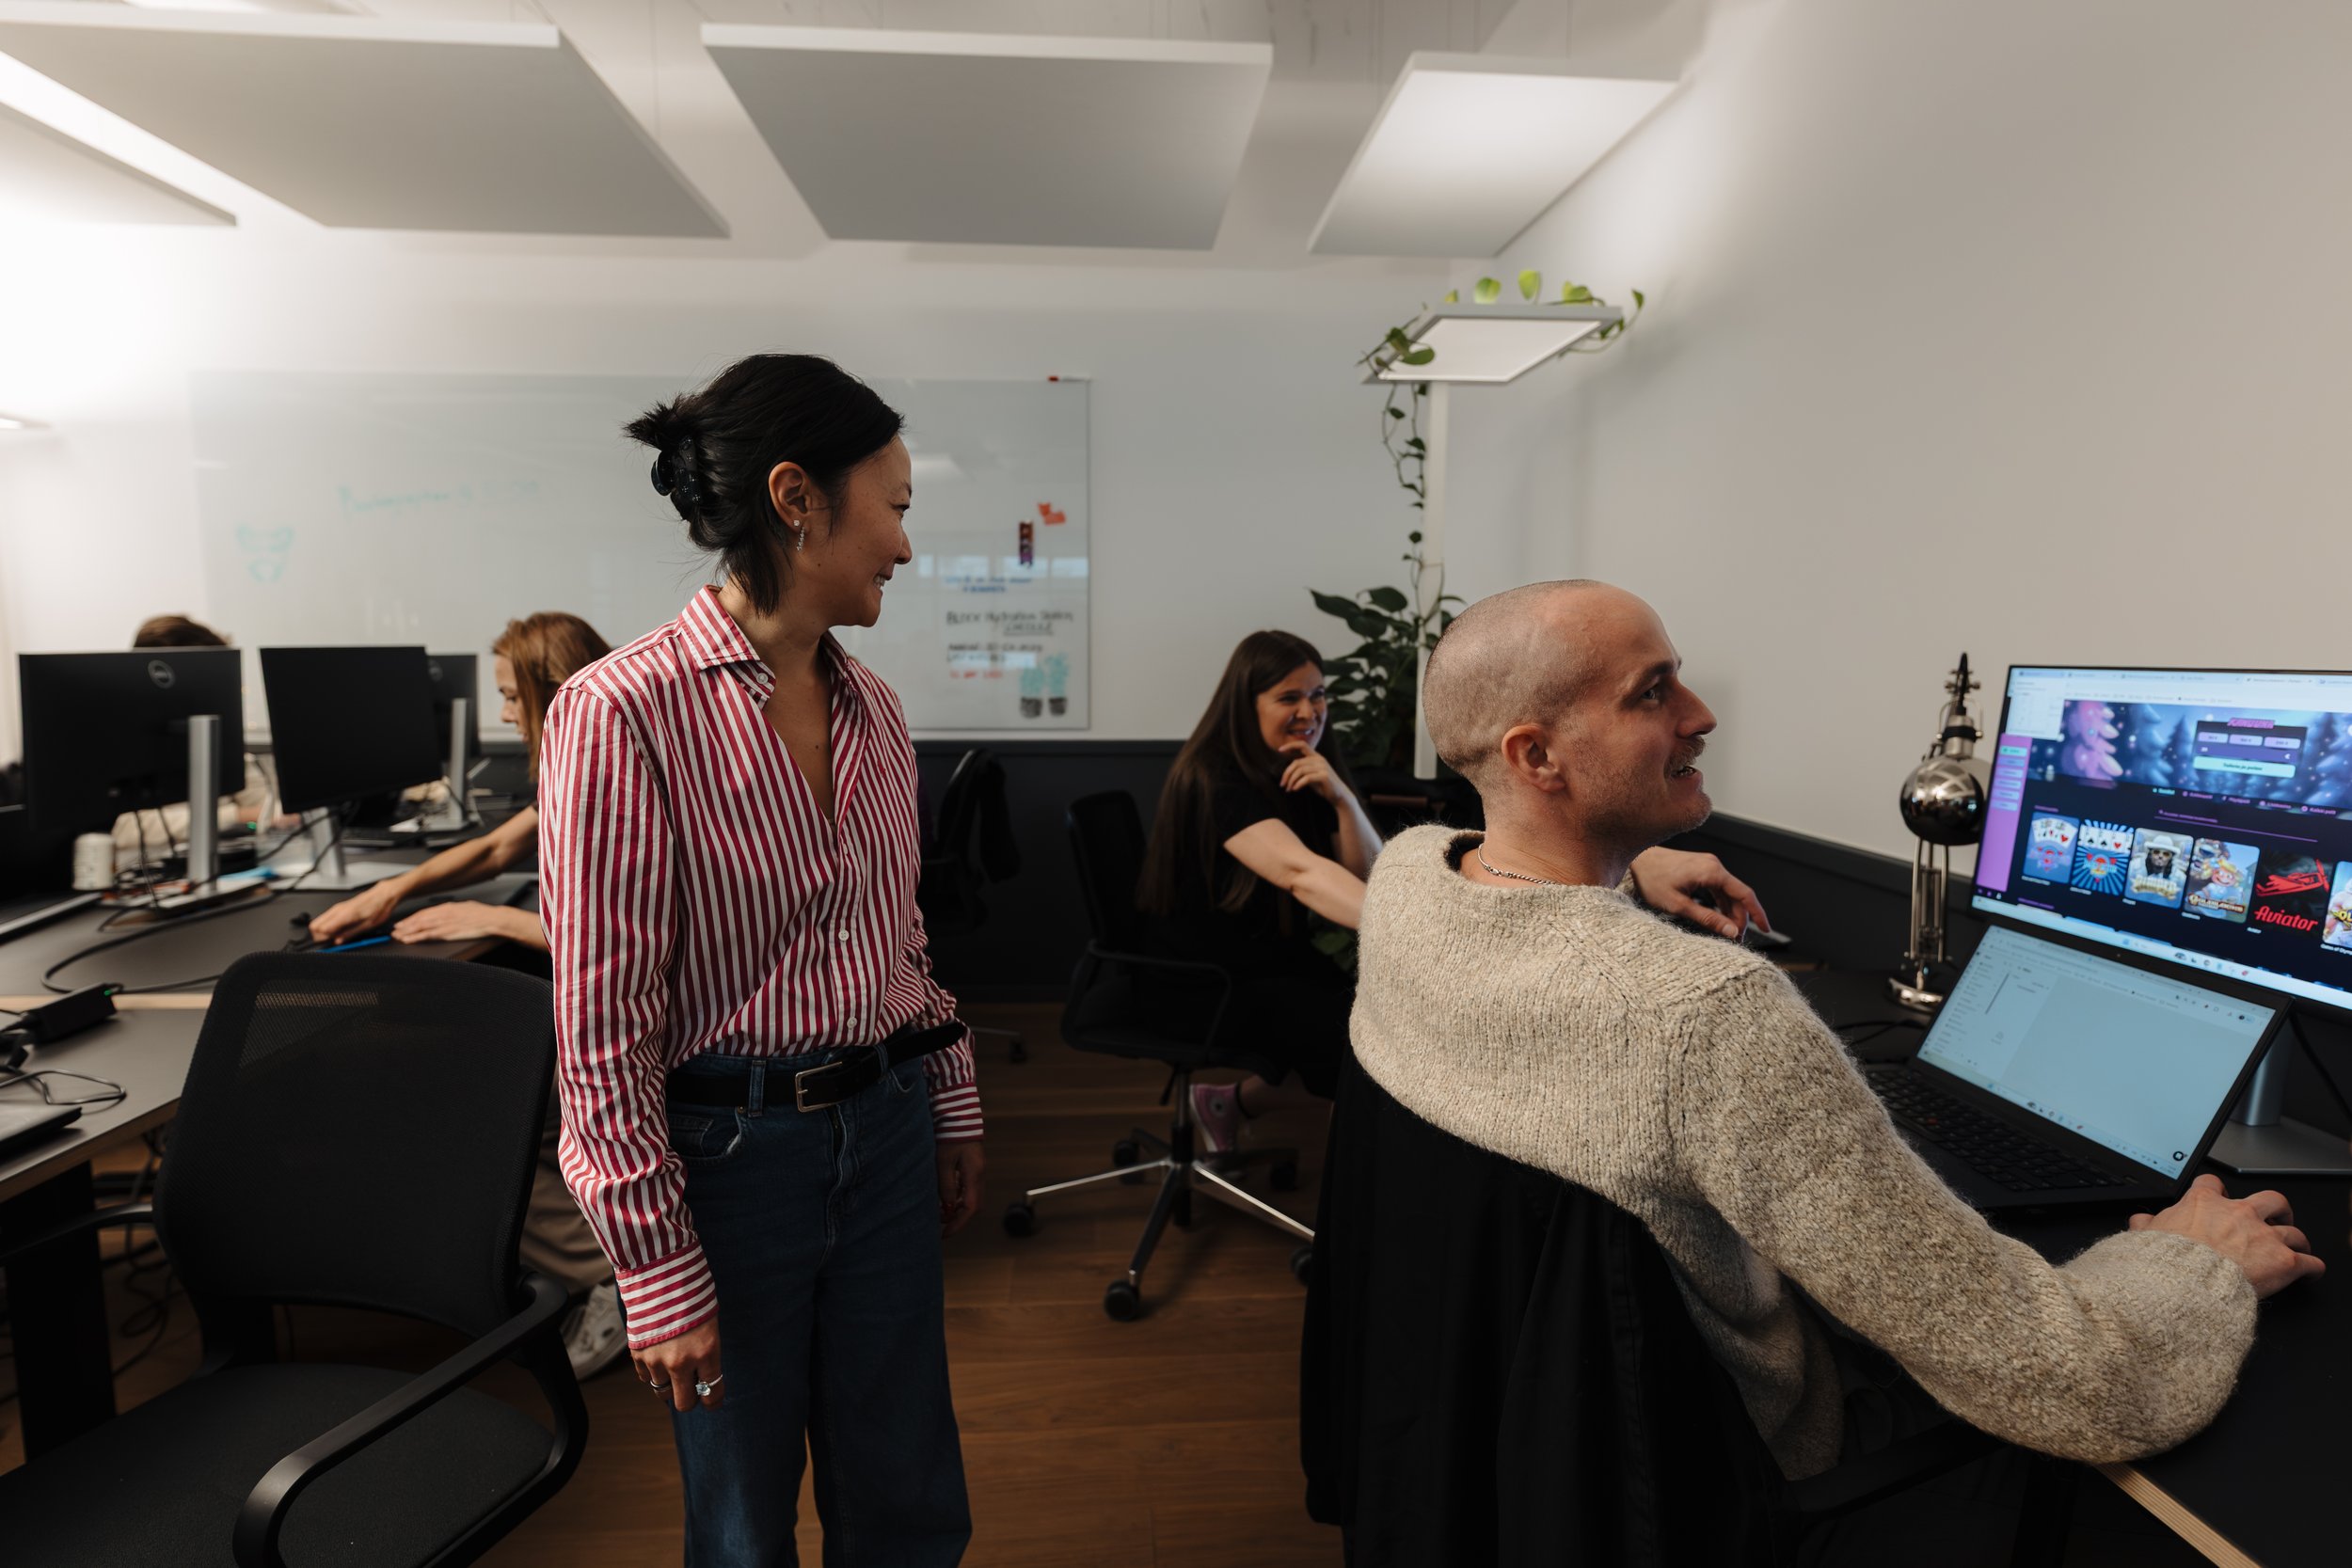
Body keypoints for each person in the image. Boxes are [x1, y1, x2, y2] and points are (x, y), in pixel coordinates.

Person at [1347, 578, 2321, 1481]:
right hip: (1723, 1449)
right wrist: (2196, 1262)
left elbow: (1528, 906)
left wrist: (1619, 873)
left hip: (1496, 1427)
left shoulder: (1408, 888)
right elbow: (2066, 1377)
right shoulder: (1705, 1013)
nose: (1701, 714)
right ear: (1535, 755)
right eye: (1653, 693)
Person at [539, 354, 982, 1567]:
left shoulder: (876, 710)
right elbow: (601, 1032)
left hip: (884, 1133)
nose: (902, 543)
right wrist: (656, 1268)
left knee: (907, 1492)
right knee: (742, 1522)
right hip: (732, 1164)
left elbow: (899, 943)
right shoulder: (620, 710)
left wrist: (948, 1103)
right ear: (798, 497)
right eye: (891, 505)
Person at [1138, 628, 1771, 1153]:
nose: (1311, 712)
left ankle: (1227, 1102)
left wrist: (1338, 797)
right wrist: (1436, 926)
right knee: (1370, 1035)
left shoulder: (1298, 768)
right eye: (1289, 699)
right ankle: (1363, 1203)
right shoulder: (1214, 780)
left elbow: (1368, 869)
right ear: (1242, 705)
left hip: (1273, 954)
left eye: (1319, 695)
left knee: (1373, 1018)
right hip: (1212, 972)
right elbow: (1301, 873)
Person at [308, 610, 622, 1378]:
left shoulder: (604, 768)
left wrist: (495, 918)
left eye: (512, 696)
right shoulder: (577, 753)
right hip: (582, 1002)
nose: (506, 713)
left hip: (620, 1009)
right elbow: (495, 846)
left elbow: (617, 934)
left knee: (466, 1105)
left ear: (550, 691)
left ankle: (604, 1278)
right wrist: (395, 889)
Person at [111, 614, 275, 865]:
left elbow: (267, 808)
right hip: (148, 873)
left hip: (222, 865)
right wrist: (238, 815)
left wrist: (259, 813)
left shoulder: (214, 734)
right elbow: (125, 829)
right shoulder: (123, 746)